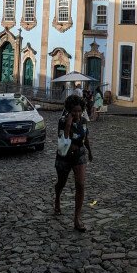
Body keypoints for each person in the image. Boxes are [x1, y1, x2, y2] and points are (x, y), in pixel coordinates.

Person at [54, 96, 92, 232]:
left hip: (79, 155)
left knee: (80, 185)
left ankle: (77, 218)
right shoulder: (63, 121)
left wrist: (90, 151)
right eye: (74, 111)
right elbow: (64, 140)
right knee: (61, 183)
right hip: (64, 156)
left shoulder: (83, 121)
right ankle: (57, 197)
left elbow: (85, 137)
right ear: (69, 110)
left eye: (80, 111)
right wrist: (69, 124)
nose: (77, 114)